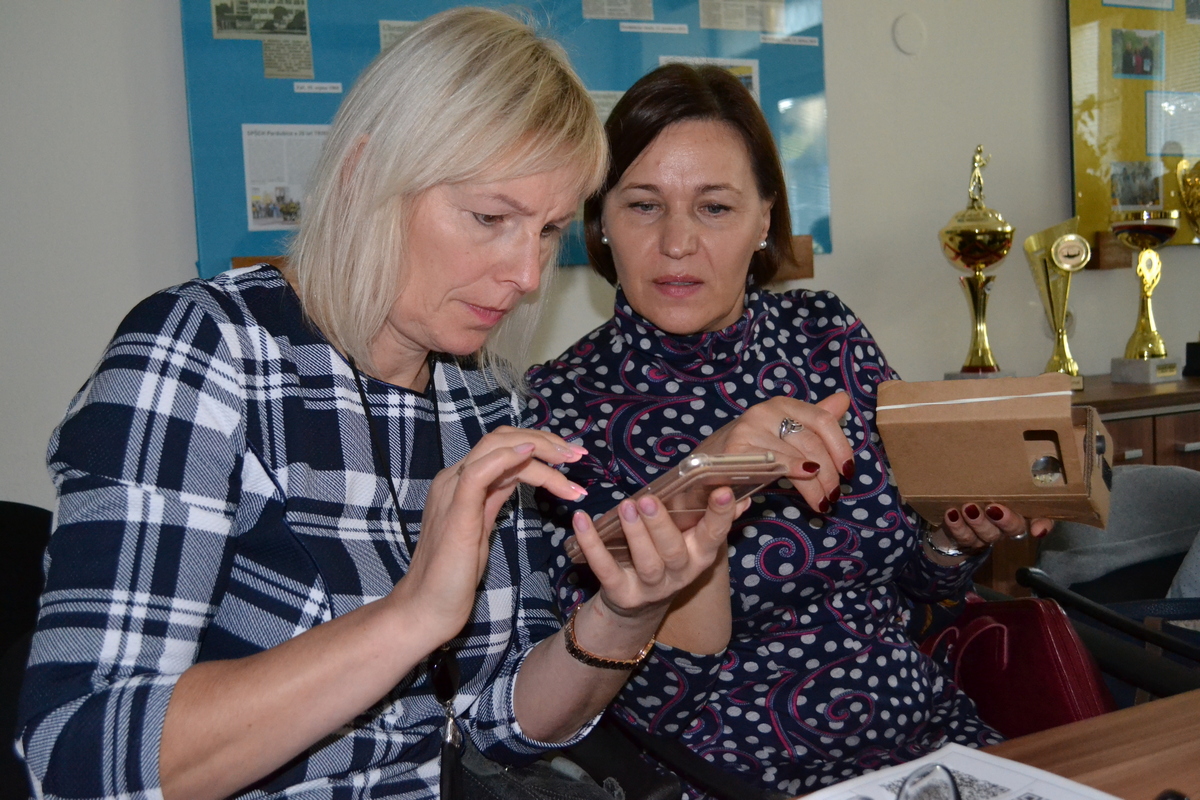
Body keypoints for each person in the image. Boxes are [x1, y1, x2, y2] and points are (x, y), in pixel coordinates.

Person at [16, 15, 743, 800]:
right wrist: (410, 616)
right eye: (491, 219)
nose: (529, 274)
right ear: (365, 173)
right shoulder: (205, 353)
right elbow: (78, 759)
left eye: (549, 230)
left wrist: (623, 618)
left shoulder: (483, 400)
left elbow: (499, 724)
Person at [526, 63, 1051, 799]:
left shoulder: (827, 336)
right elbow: (637, 701)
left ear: (765, 217)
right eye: (644, 206)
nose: (677, 243)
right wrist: (708, 476)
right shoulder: (563, 406)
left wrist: (950, 542)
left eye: (714, 208)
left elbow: (909, 602)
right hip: (736, 777)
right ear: (602, 222)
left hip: (930, 745)